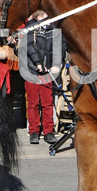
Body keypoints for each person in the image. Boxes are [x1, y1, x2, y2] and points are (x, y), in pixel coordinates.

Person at [20, 11, 66, 145]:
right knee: (33, 103)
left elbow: (61, 45)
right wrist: (38, 63)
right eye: (46, 15)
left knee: (47, 102)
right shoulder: (30, 28)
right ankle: (34, 131)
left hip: (48, 71)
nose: (49, 18)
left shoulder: (54, 28)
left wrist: (57, 64)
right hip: (32, 70)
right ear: (38, 17)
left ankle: (48, 131)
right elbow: (28, 46)